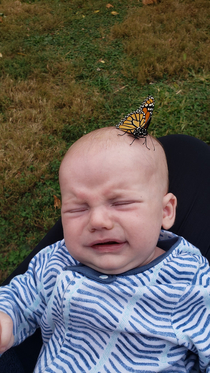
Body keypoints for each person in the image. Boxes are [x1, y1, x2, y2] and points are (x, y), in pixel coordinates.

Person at [0, 127, 210, 372]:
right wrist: (5, 319)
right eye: (78, 208)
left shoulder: (190, 280)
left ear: (166, 212)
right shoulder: (57, 260)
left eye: (121, 203)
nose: (98, 221)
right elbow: (19, 297)